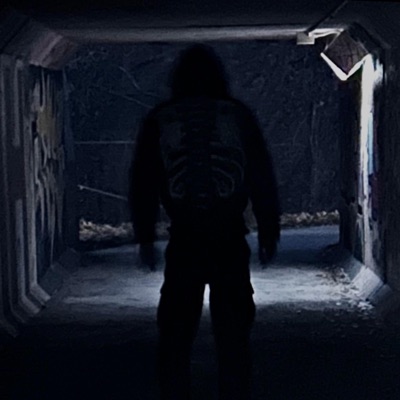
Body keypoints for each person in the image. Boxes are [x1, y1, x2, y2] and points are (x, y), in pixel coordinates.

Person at [129, 44, 280, 400]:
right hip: (229, 239)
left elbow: (144, 182)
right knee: (234, 336)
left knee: (176, 334)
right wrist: (268, 229)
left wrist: (145, 236)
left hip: (185, 241)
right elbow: (260, 176)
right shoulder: (238, 116)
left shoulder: (162, 118)